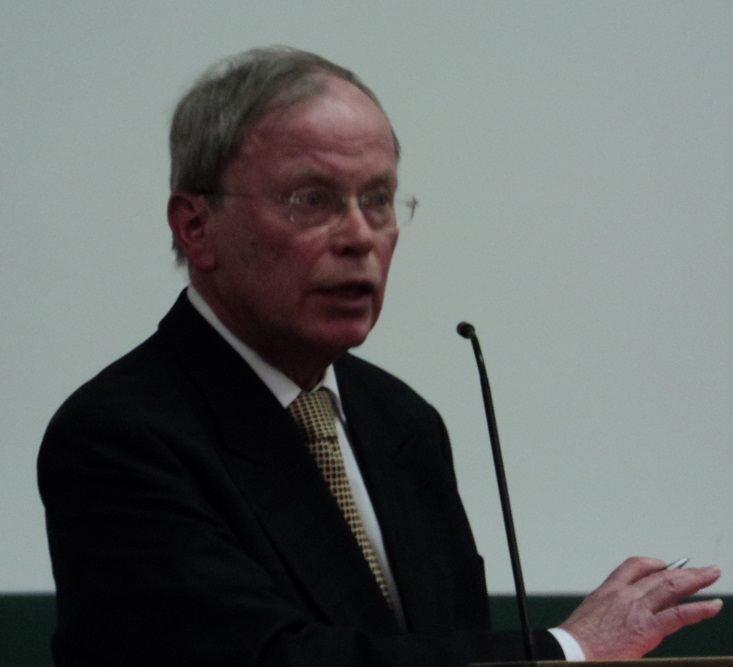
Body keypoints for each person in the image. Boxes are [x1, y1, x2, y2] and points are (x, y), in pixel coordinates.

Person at [38, 46, 722, 667]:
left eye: (379, 200)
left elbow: (444, 638)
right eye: (312, 200)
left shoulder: (400, 420)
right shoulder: (120, 437)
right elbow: (264, 659)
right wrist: (569, 649)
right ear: (196, 227)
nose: (360, 237)